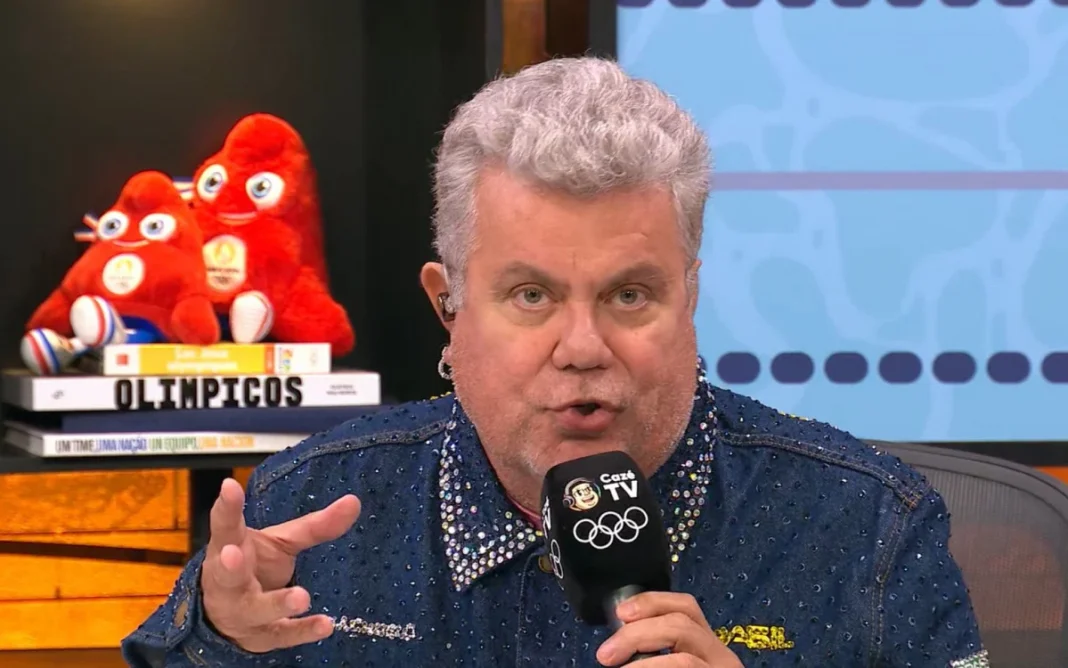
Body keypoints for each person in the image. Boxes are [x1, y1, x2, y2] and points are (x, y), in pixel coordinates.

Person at [121, 57, 988, 667]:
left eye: (629, 295)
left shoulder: (870, 526)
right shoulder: (306, 508)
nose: (582, 350)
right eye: (531, 295)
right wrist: (219, 641)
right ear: (448, 307)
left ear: (689, 296)